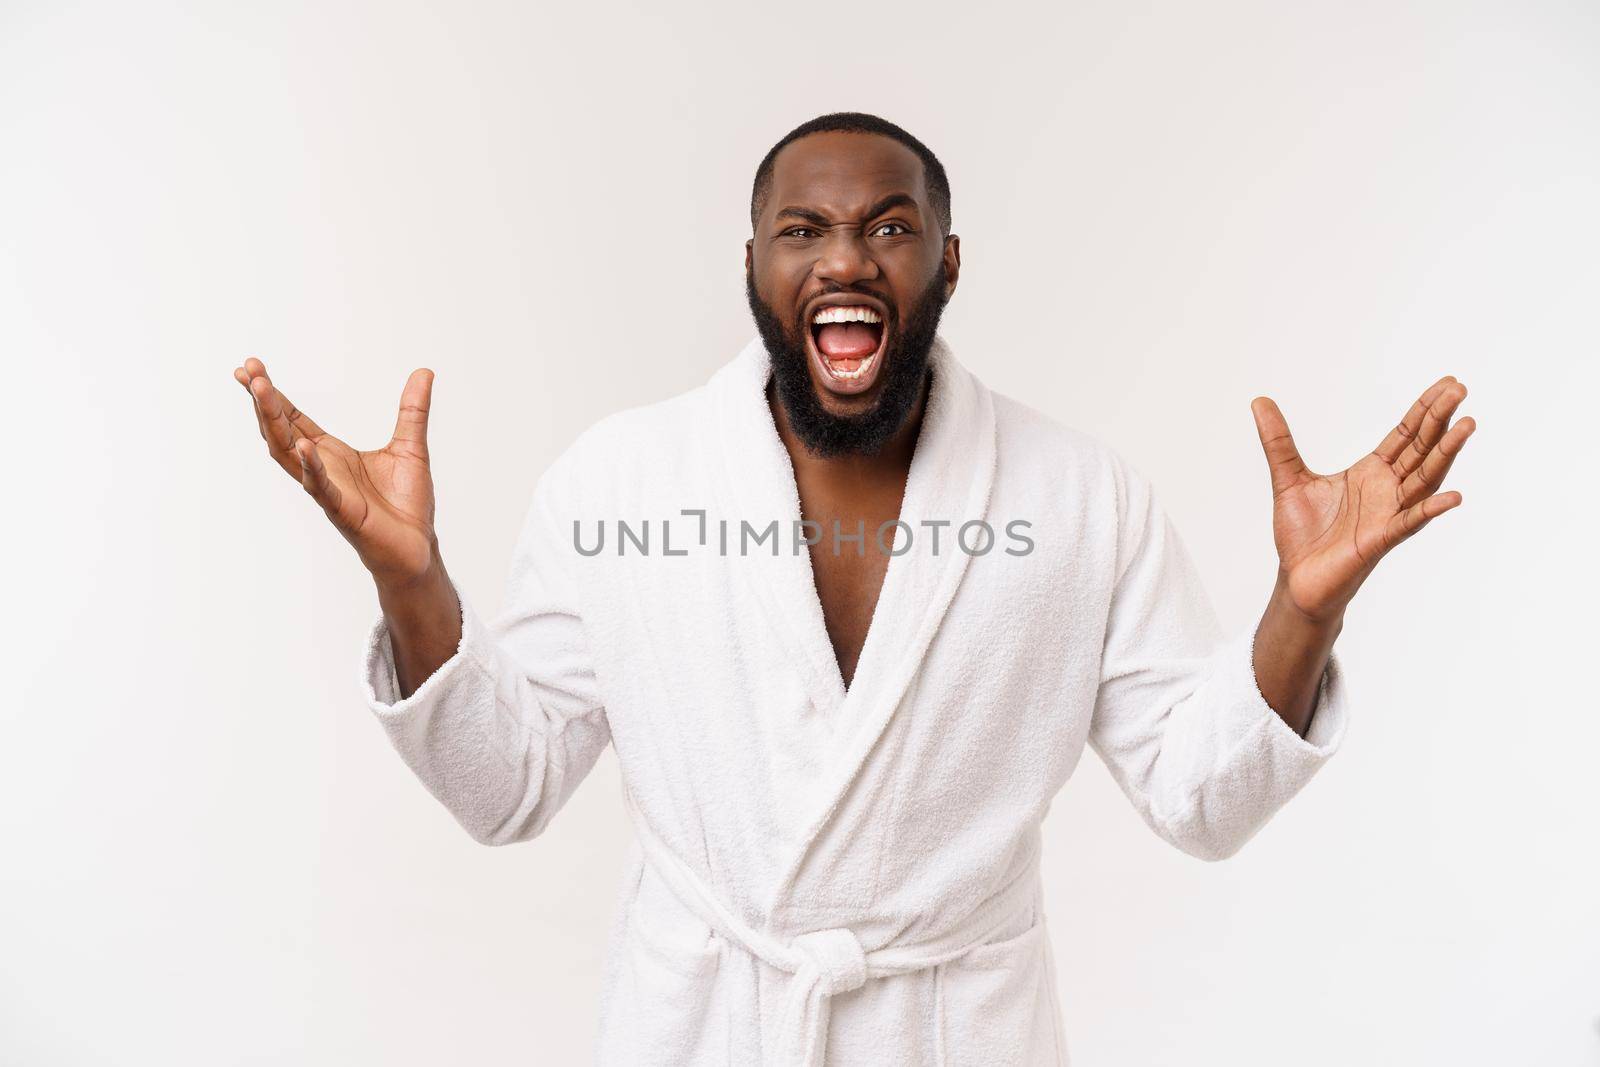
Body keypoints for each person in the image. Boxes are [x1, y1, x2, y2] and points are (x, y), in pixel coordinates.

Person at [233, 112, 1475, 1066]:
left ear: (946, 261)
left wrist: (1303, 608)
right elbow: (504, 786)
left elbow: (1200, 796)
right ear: (754, 264)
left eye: (890, 226)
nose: (848, 258)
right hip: (705, 1026)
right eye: (804, 230)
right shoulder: (622, 477)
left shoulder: (1078, 497)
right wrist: (413, 582)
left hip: (954, 1030)